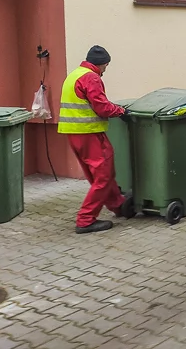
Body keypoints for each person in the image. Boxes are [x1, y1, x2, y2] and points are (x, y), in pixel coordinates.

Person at [58, 45, 133, 234]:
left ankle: (118, 205)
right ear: (102, 64)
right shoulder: (91, 77)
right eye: (106, 66)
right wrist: (122, 111)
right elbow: (101, 107)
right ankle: (85, 220)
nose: (105, 70)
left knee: (100, 175)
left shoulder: (74, 74)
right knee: (103, 175)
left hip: (74, 133)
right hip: (89, 133)